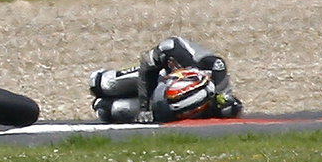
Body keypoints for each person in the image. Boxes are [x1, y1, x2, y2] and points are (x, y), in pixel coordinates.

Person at [88, 36, 243, 123]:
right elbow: (146, 68)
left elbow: (228, 102)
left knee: (110, 110)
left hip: (168, 104)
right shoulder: (171, 48)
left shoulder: (217, 68)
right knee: (101, 83)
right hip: (157, 78)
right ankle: (108, 80)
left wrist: (227, 107)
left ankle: (104, 105)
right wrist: (144, 108)